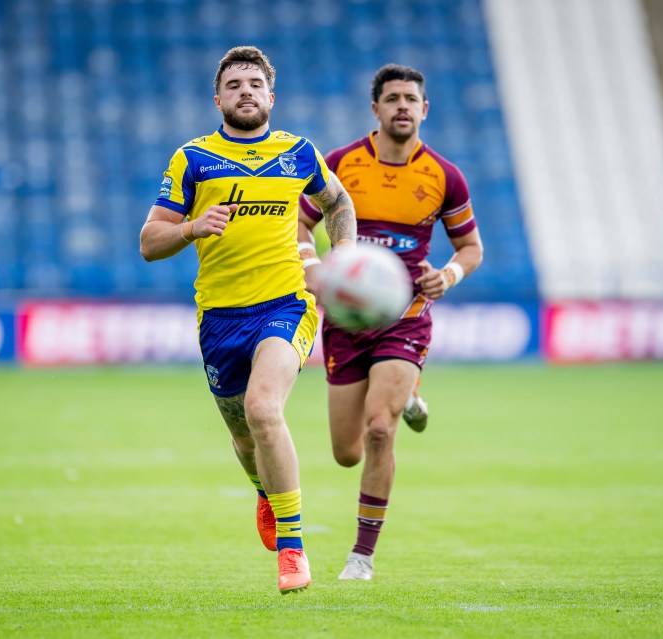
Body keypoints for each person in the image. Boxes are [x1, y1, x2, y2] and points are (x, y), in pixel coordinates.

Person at [139, 46, 356, 594]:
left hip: (287, 303)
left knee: (264, 409)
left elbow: (339, 203)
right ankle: (266, 490)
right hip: (220, 317)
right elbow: (149, 242)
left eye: (255, 84)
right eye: (234, 85)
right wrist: (191, 228)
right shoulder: (192, 159)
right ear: (218, 99)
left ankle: (292, 546)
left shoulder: (298, 153)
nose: (246, 92)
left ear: (270, 96)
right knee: (243, 437)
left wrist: (343, 260)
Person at [298, 64, 484, 580]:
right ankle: (411, 392)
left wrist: (446, 275)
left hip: (406, 315)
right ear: (375, 108)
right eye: (393, 98)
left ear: (425, 110)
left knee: (381, 428)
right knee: (346, 453)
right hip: (345, 317)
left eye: (412, 99)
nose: (403, 105)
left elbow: (470, 248)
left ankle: (362, 557)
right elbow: (299, 222)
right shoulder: (339, 164)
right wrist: (313, 268)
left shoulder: (445, 176)